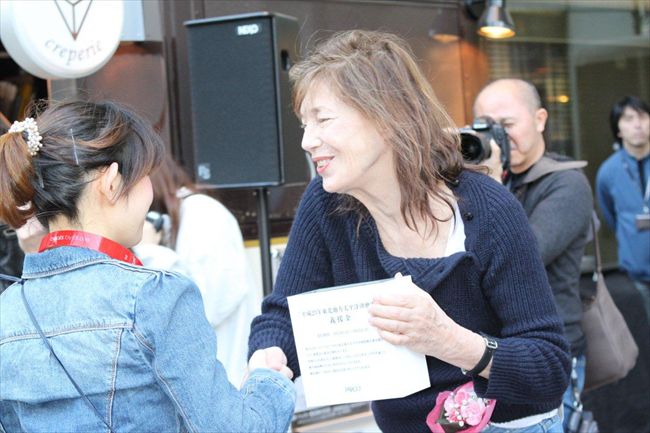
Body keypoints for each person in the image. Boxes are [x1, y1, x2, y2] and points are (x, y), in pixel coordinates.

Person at [248, 30, 570, 433]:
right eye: (304, 123)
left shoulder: (488, 209)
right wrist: (269, 355)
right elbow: (284, 315)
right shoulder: (327, 203)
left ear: (387, 117)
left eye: (323, 119)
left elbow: (549, 365)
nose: (307, 141)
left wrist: (447, 339)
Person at [0, 100, 295, 431]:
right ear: (112, 182)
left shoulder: (8, 310)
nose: (149, 192)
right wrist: (268, 382)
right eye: (144, 175)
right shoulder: (155, 295)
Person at [474, 79, 593, 431]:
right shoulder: (487, 177)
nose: (499, 136)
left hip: (550, 351)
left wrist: (489, 184)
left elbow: (526, 255)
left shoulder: (566, 183)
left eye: (507, 124)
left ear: (540, 119)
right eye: (487, 126)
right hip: (497, 351)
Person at [134, 154, 261, 384]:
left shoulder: (202, 213)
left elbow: (200, 308)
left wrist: (149, 250)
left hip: (229, 382)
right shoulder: (174, 220)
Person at [596, 96, 650, 320]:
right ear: (618, 129)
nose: (637, 124)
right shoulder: (608, 171)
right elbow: (610, 216)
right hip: (635, 274)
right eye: (629, 119)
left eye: (643, 117)